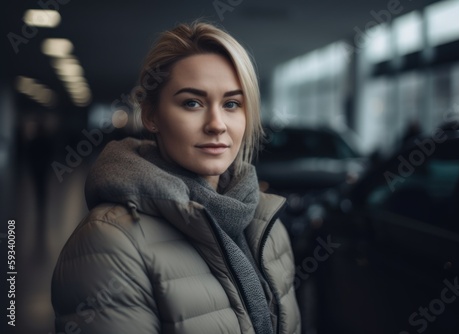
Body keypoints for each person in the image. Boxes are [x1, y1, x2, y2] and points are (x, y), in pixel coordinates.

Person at [51, 21, 301, 334]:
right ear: (151, 115)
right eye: (192, 103)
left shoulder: (269, 226)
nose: (216, 124)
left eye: (232, 104)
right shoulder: (109, 241)